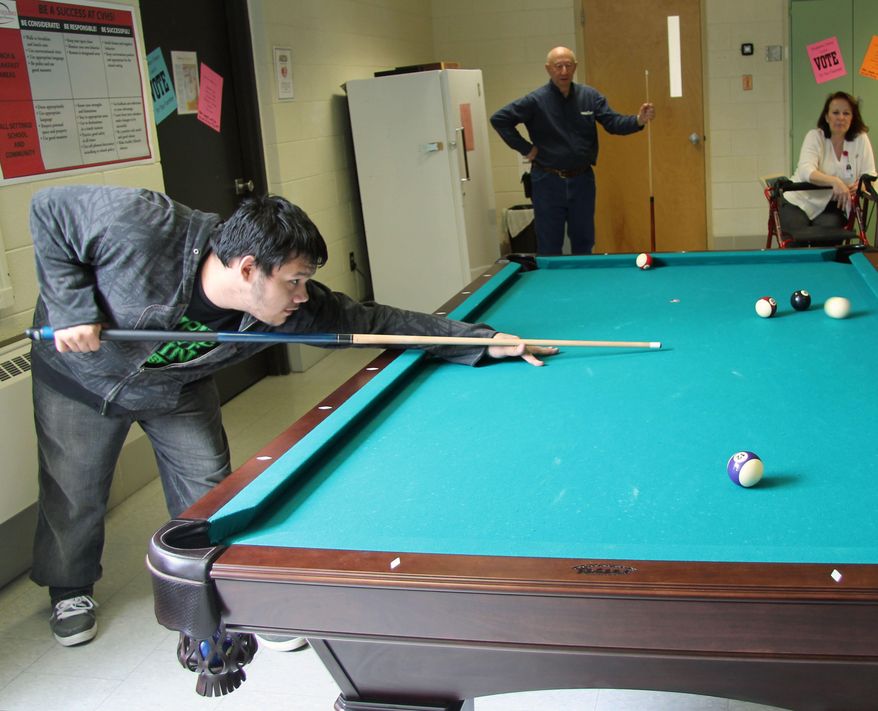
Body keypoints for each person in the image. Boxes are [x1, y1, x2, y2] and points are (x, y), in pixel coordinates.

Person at [28, 186, 558, 647]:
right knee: (75, 488)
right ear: (247, 269)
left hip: (176, 385)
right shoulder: (145, 225)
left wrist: (483, 341)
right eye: (294, 281)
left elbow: (375, 321)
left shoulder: (289, 307)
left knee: (210, 490)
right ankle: (69, 588)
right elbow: (50, 209)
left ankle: (236, 595)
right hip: (78, 374)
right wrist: (72, 307)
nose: (302, 296)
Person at [490, 46, 655, 255]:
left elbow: (613, 123)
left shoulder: (590, 96)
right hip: (547, 181)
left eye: (568, 65)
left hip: (582, 180)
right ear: (548, 69)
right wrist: (526, 148)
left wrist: (638, 120)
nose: (564, 71)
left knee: (584, 241)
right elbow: (499, 119)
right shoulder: (536, 100)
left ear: (575, 67)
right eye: (558, 66)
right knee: (549, 243)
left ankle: (584, 277)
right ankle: (551, 277)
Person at [781, 91, 876, 232]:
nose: (841, 118)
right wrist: (835, 181)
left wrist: (862, 185)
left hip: (830, 206)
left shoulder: (860, 139)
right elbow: (806, 170)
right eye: (835, 113)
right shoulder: (815, 136)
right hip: (799, 200)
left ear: (852, 118)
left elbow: (870, 173)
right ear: (827, 117)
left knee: (829, 233)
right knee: (799, 232)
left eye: (846, 113)